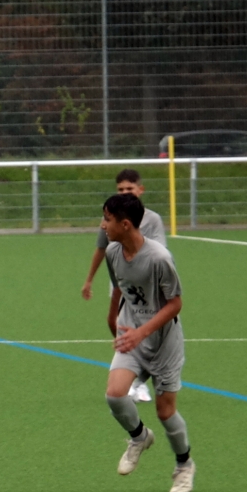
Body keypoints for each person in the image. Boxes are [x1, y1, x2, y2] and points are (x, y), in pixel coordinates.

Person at [99, 192, 194, 492]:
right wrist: (113, 315)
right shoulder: (113, 252)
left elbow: (175, 304)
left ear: (125, 224)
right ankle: (139, 437)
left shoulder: (159, 259)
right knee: (115, 395)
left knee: (165, 412)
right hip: (132, 337)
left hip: (164, 343)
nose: (102, 225)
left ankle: (184, 465)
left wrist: (142, 332)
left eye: (107, 219)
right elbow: (120, 286)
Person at [82, 169, 166, 402]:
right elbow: (101, 249)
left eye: (129, 188)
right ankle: (129, 376)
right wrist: (89, 280)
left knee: (148, 334)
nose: (125, 192)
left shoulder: (152, 220)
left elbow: (158, 252)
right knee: (120, 328)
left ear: (140, 190)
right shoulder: (110, 219)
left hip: (147, 289)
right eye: (120, 189)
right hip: (121, 284)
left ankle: (140, 382)